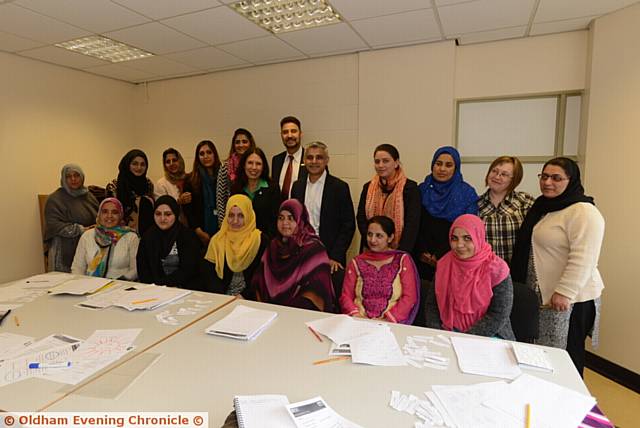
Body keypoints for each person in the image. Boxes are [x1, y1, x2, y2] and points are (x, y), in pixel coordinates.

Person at [511, 157, 604, 376]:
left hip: (570, 300)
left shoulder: (583, 211)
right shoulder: (545, 207)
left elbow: (584, 257)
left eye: (556, 178)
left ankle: (572, 405)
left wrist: (564, 292)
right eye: (544, 176)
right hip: (544, 296)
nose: (548, 182)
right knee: (546, 355)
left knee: (567, 358)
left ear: (570, 180)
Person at [425, 214, 515, 340]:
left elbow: (498, 314)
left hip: (489, 335)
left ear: (478, 237)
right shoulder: (445, 264)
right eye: (454, 238)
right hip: (448, 332)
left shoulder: (497, 269)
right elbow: (432, 305)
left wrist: (465, 339)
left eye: (467, 238)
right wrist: (438, 334)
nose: (459, 245)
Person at [291, 141, 355, 297]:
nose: (314, 162)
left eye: (319, 157)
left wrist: (335, 256)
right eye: (310, 157)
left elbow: (348, 225)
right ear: (304, 161)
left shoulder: (339, 187)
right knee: (302, 298)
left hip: (330, 257)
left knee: (329, 299)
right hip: (302, 255)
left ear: (327, 160)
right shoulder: (297, 186)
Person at [252, 199, 335, 312]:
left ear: (300, 220)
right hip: (270, 312)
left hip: (301, 315)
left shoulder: (314, 249)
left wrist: (285, 311)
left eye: (290, 218)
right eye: (281, 218)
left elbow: (316, 292)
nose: (285, 223)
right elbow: (258, 281)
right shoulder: (274, 246)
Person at [340, 216, 419, 324]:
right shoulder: (357, 262)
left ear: (390, 238)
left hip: (391, 323)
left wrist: (386, 319)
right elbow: (346, 296)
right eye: (369, 234)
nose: (372, 240)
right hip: (358, 321)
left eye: (379, 236)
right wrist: (357, 316)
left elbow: (409, 297)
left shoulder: (401, 260)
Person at [415, 146, 478, 281]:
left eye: (448, 165)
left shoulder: (467, 193)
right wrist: (422, 251)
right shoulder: (422, 189)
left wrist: (439, 255)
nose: (442, 169)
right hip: (421, 258)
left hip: (454, 257)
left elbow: (468, 230)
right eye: (438, 164)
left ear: (456, 168)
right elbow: (414, 223)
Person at [356, 143, 420, 253]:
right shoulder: (368, 187)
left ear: (396, 163)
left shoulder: (410, 188)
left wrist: (401, 252)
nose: (380, 165)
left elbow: (412, 224)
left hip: (399, 250)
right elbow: (361, 218)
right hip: (371, 249)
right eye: (377, 161)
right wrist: (373, 241)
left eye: (385, 161)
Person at [204, 194, 268, 297]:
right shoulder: (217, 240)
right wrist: (221, 297)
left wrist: (245, 296)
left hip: (251, 298)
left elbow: (263, 276)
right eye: (231, 215)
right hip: (221, 298)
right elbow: (209, 275)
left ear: (249, 215)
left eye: (241, 216)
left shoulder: (260, 240)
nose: (235, 221)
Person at [478, 156, 535, 264]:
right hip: (485, 272)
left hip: (516, 272)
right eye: (494, 171)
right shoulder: (476, 204)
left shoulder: (525, 202)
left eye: (504, 174)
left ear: (514, 179)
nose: (497, 176)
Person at [137, 196, 201, 290]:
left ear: (176, 214)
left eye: (168, 214)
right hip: (153, 290)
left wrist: (163, 284)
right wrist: (154, 288)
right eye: (158, 214)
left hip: (184, 289)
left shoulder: (187, 236)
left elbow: (189, 270)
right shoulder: (148, 237)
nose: (162, 219)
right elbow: (142, 268)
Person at [44, 164, 99, 272]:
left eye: (76, 175)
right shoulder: (54, 199)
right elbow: (53, 225)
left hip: (87, 247)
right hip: (63, 250)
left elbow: (98, 217)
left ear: (82, 177)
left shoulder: (89, 196)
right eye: (68, 176)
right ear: (63, 178)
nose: (73, 179)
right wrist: (81, 229)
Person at [71, 198, 139, 280]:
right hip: (90, 286)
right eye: (105, 211)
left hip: (120, 286)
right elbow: (77, 267)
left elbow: (136, 269)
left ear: (120, 215)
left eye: (115, 212)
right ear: (99, 214)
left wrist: (119, 282)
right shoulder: (87, 236)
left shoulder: (131, 237)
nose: (109, 216)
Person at [231, 147, 281, 237]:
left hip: (265, 242)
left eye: (258, 164)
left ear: (263, 167)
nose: (254, 167)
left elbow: (275, 221)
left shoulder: (272, 188)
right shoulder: (236, 188)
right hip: (240, 241)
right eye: (250, 163)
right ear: (244, 165)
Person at [106, 149, 155, 236]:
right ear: (127, 165)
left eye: (142, 164)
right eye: (135, 164)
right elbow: (109, 215)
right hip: (120, 235)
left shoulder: (148, 184)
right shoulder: (114, 186)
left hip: (145, 236)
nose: (139, 168)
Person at [183, 140, 221, 248]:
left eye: (209, 152)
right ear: (197, 157)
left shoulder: (224, 177)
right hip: (200, 233)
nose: (206, 156)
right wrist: (199, 232)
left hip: (223, 231)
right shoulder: (190, 180)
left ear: (215, 154)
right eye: (201, 154)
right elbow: (188, 210)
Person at [216, 129, 256, 227]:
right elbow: (220, 199)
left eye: (244, 141)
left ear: (250, 144)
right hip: (232, 220)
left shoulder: (255, 165)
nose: (241, 145)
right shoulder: (225, 166)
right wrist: (223, 224)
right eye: (237, 142)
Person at [272, 116, 307, 199]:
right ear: (281, 135)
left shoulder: (311, 159)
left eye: (293, 131)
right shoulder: (276, 160)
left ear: (300, 134)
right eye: (285, 132)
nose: (289, 135)